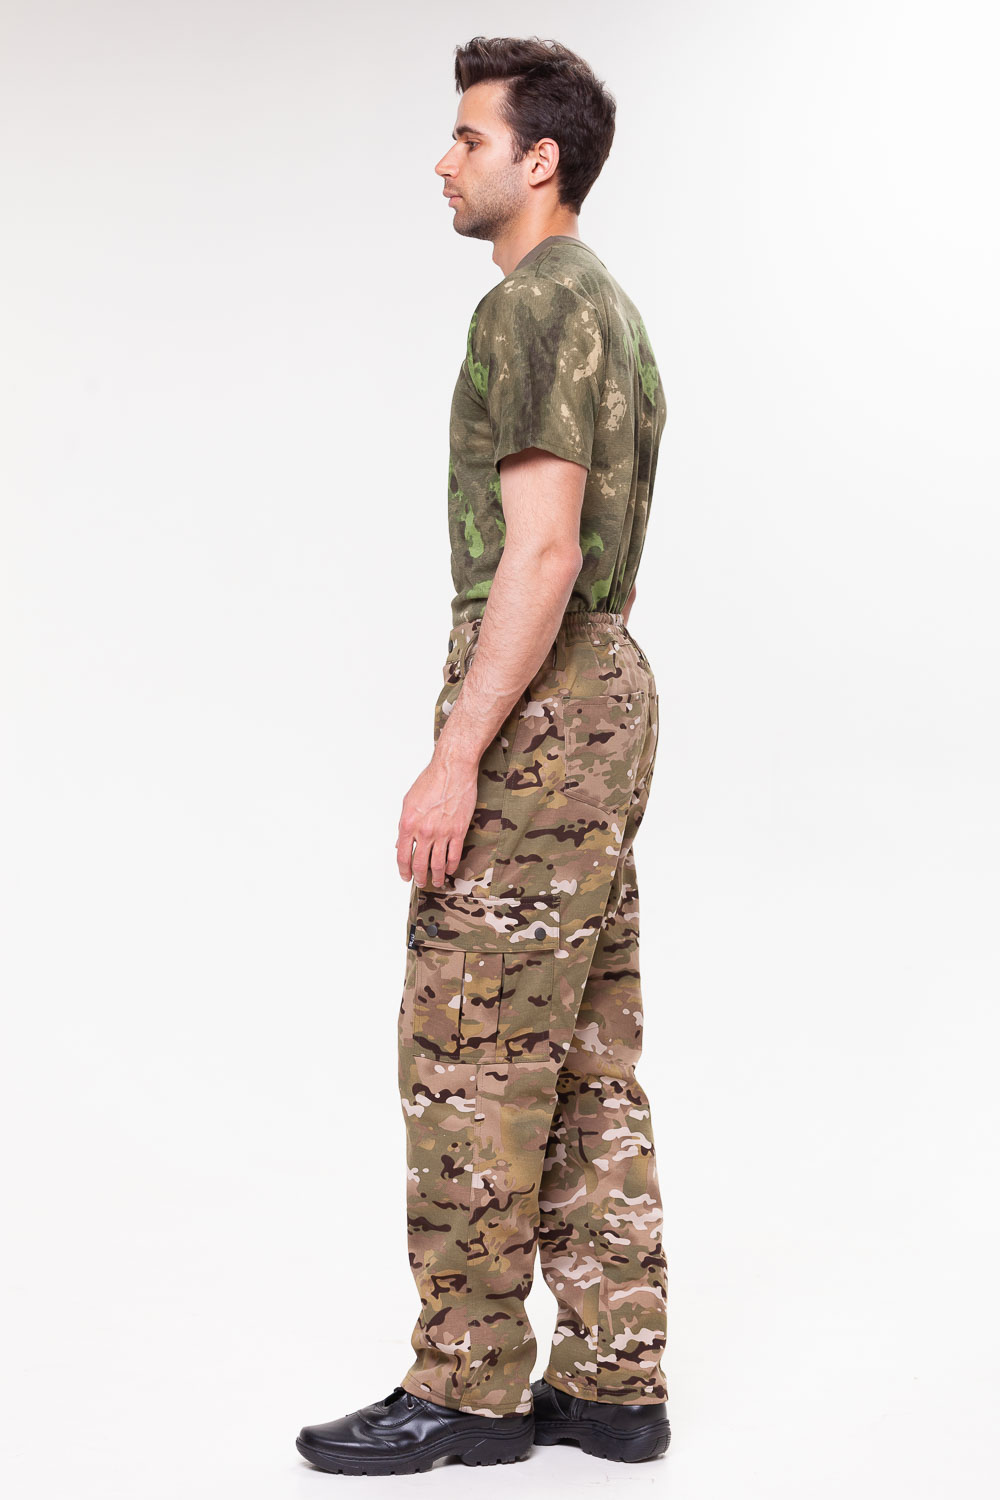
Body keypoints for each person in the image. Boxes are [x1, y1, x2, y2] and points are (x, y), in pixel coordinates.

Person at [296, 35, 670, 1476]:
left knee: (469, 1045)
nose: (444, 161)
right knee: (581, 1046)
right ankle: (615, 1381)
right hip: (606, 685)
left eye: (468, 137)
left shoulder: (534, 305)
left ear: (539, 159)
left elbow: (545, 550)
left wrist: (456, 754)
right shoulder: (611, 308)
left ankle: (466, 1387)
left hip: (541, 696)